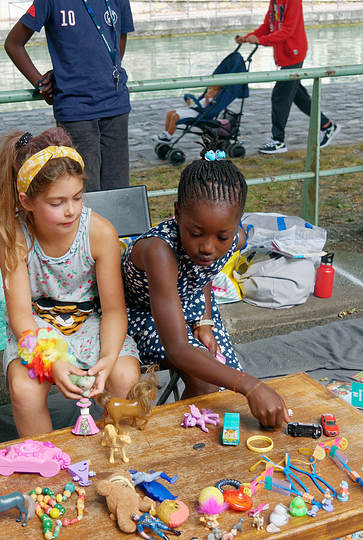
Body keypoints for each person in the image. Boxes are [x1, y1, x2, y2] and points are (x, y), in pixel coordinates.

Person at [121, 133, 289, 428]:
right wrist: (252, 385)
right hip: (137, 315)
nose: (208, 247)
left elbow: (204, 276)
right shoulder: (160, 252)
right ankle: (183, 441)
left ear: (236, 226)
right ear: (176, 213)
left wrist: (205, 322)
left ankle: (197, 439)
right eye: (196, 234)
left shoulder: (235, 240)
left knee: (218, 380)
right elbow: (178, 348)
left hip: (187, 306)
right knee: (211, 375)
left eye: (221, 236)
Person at [0, 127, 140, 437]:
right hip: (37, 328)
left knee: (125, 378)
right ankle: (46, 459)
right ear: (27, 201)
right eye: (57, 203)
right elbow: (19, 316)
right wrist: (53, 361)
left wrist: (109, 358)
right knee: (24, 389)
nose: (71, 210)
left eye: (77, 197)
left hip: (90, 324)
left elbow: (113, 310)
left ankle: (120, 455)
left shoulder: (99, 233)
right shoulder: (15, 237)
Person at [4, 0, 134, 192]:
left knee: (119, 189)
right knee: (85, 188)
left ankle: (116, 236)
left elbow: (117, 44)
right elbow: (14, 44)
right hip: (77, 110)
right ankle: (85, 236)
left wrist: (104, 70)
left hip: (116, 106)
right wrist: (41, 82)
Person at [235, 0, 340, 154]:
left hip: (294, 52)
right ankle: (327, 126)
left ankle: (278, 140)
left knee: (280, 95)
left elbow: (288, 30)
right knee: (298, 95)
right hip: (284, 54)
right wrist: (249, 37)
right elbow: (268, 25)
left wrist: (262, 41)